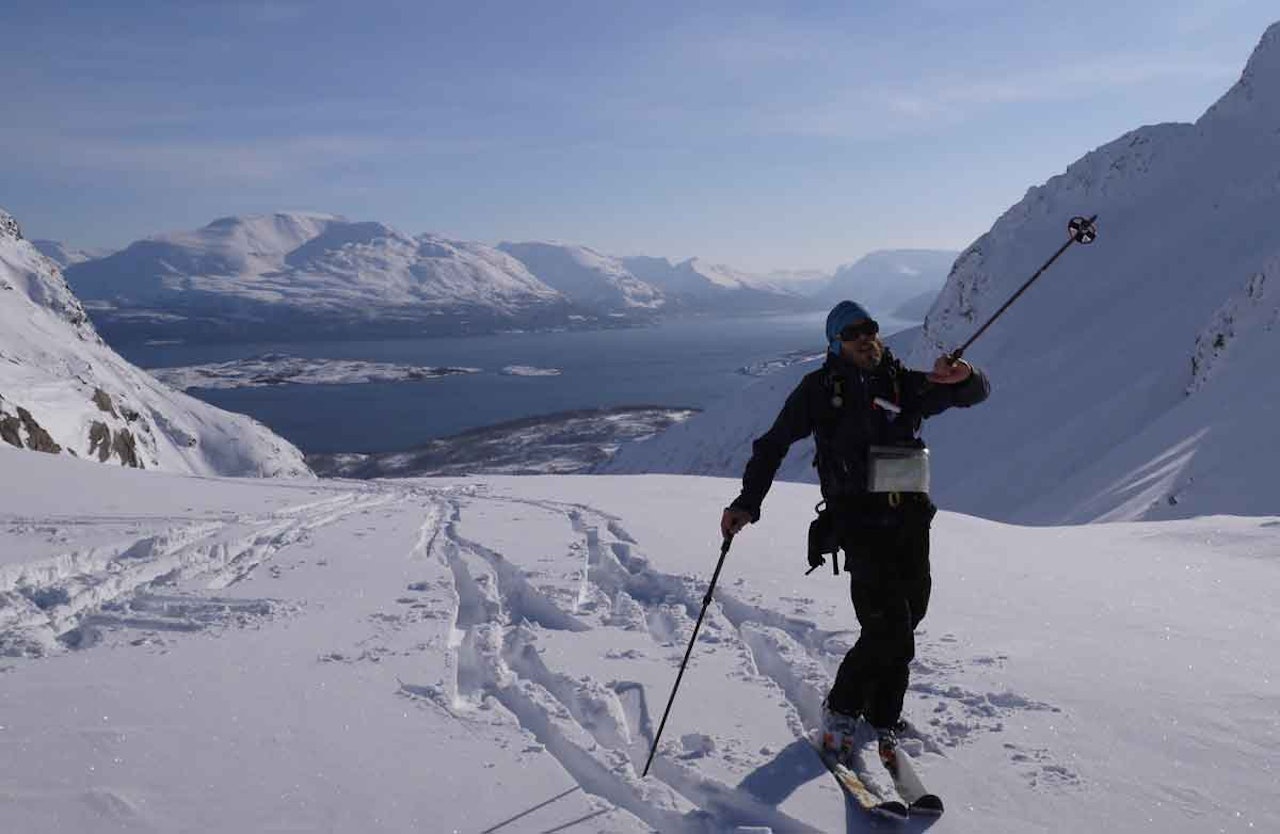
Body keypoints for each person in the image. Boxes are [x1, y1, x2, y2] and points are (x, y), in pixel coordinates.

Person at [719, 300, 989, 756]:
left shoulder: (901, 382)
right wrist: (748, 502)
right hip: (860, 525)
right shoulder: (820, 390)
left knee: (910, 618)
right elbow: (772, 445)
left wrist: (966, 375)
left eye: (870, 329)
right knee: (888, 628)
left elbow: (971, 394)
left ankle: (883, 715)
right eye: (852, 333)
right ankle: (842, 711)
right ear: (835, 343)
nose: (865, 337)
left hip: (911, 521)